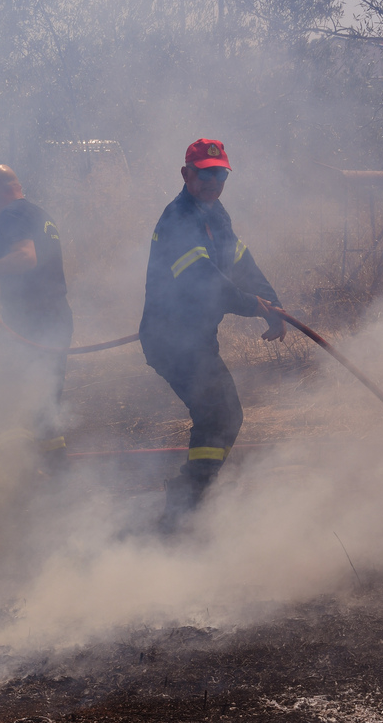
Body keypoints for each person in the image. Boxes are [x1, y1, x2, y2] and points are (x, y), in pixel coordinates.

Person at [139, 139, 286, 532]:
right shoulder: (178, 219)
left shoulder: (216, 214)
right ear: (187, 174)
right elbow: (202, 281)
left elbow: (240, 262)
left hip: (195, 338)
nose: (212, 181)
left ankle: (190, 498)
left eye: (219, 173)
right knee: (218, 414)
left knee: (223, 415)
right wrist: (254, 307)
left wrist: (273, 303)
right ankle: (186, 505)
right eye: (204, 173)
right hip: (170, 339)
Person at [0, 165, 74, 465]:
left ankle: (12, 469)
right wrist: (4, 304)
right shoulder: (39, 214)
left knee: (4, 392)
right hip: (55, 318)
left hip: (30, 323)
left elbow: (26, 258)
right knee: (46, 400)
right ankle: (55, 473)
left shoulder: (11, 214)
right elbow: (39, 276)